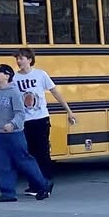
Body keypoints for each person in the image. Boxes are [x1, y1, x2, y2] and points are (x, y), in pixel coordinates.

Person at [12, 49, 77, 182]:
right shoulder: (14, 78)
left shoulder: (40, 75)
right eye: (17, 59)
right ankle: (34, 182)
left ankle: (45, 180)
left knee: (42, 151)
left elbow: (55, 92)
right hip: (24, 121)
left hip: (41, 118)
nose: (18, 61)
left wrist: (69, 111)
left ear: (29, 60)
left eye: (21, 58)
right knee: (28, 153)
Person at [0, 64, 49, 202]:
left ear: (7, 76)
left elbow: (20, 113)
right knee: (3, 164)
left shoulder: (14, 93)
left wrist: (12, 124)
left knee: (24, 161)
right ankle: (8, 193)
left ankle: (43, 184)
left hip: (14, 134)